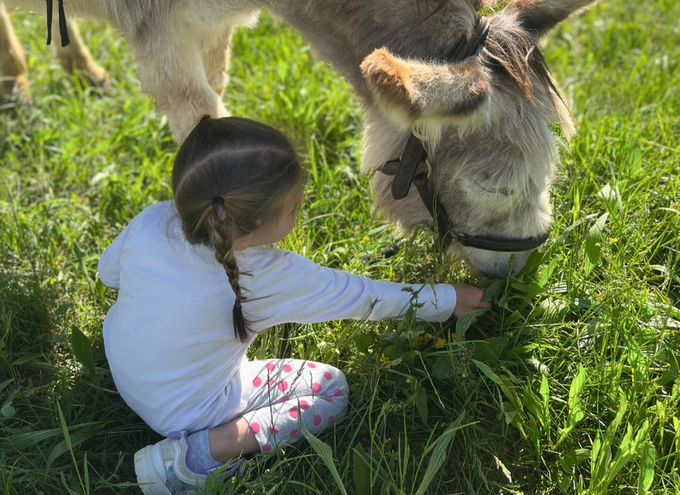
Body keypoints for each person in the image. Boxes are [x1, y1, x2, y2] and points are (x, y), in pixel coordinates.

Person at [98, 116, 491, 494]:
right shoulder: (264, 276)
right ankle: (195, 458)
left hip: (121, 364)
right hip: (184, 413)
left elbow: (107, 276)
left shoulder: (152, 220)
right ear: (248, 235)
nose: (297, 212)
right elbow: (364, 297)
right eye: (293, 210)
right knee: (331, 391)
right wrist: (450, 298)